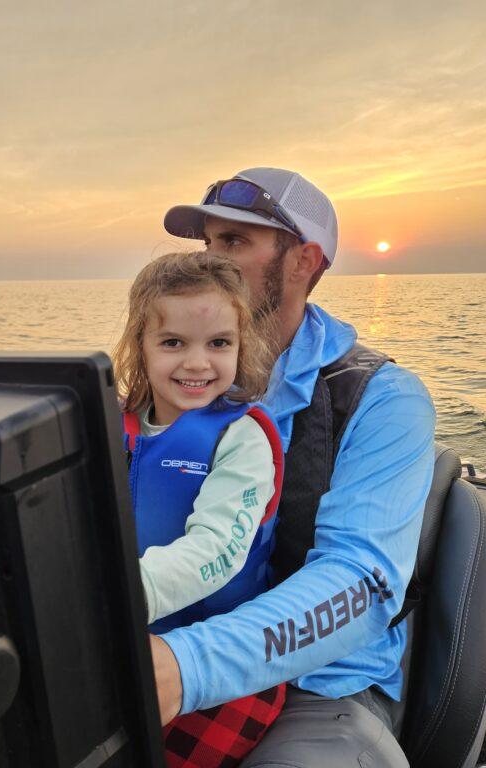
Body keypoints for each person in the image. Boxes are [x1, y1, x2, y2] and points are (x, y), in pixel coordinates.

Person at [148, 168, 436, 768]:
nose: (212, 263)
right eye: (207, 243)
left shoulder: (383, 399)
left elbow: (361, 581)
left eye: (234, 243)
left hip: (321, 688)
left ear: (304, 261)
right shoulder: (175, 380)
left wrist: (187, 665)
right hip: (160, 648)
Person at [112, 251, 288, 766]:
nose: (196, 363)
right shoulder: (106, 426)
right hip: (126, 643)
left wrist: (114, 599)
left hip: (224, 665)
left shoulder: (242, 437)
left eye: (218, 344)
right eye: (172, 343)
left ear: (240, 347)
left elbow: (218, 549)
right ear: (139, 347)